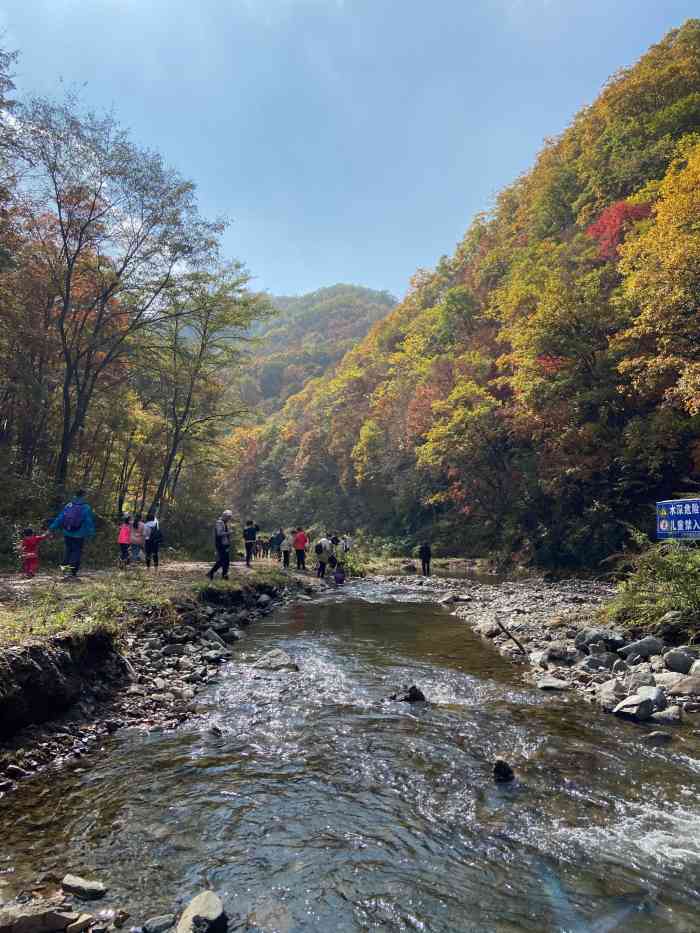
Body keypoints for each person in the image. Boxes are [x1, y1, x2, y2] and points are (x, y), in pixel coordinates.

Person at [49, 489, 96, 578]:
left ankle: (64, 571)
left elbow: (61, 517)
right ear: (84, 495)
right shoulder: (86, 507)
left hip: (67, 532)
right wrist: (91, 533)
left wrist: (52, 527)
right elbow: (88, 521)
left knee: (68, 551)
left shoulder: (69, 505)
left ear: (75, 495)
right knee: (76, 552)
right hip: (79, 534)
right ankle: (72, 572)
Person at [208, 509, 233, 579]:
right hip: (221, 544)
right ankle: (212, 572)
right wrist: (229, 532)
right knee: (223, 560)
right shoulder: (219, 522)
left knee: (226, 560)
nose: (229, 519)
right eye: (228, 517)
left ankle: (224, 575)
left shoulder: (224, 523)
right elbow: (219, 533)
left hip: (225, 544)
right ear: (225, 516)